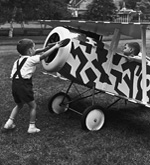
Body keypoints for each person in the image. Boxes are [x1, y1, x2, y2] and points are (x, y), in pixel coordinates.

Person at [1, 38, 70, 134]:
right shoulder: (31, 60)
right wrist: (56, 47)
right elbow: (44, 56)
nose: (35, 50)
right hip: (24, 85)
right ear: (30, 50)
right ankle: (32, 127)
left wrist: (44, 48)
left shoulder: (18, 60)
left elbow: (37, 52)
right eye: (33, 48)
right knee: (33, 106)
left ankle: (9, 123)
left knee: (19, 105)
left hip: (15, 85)